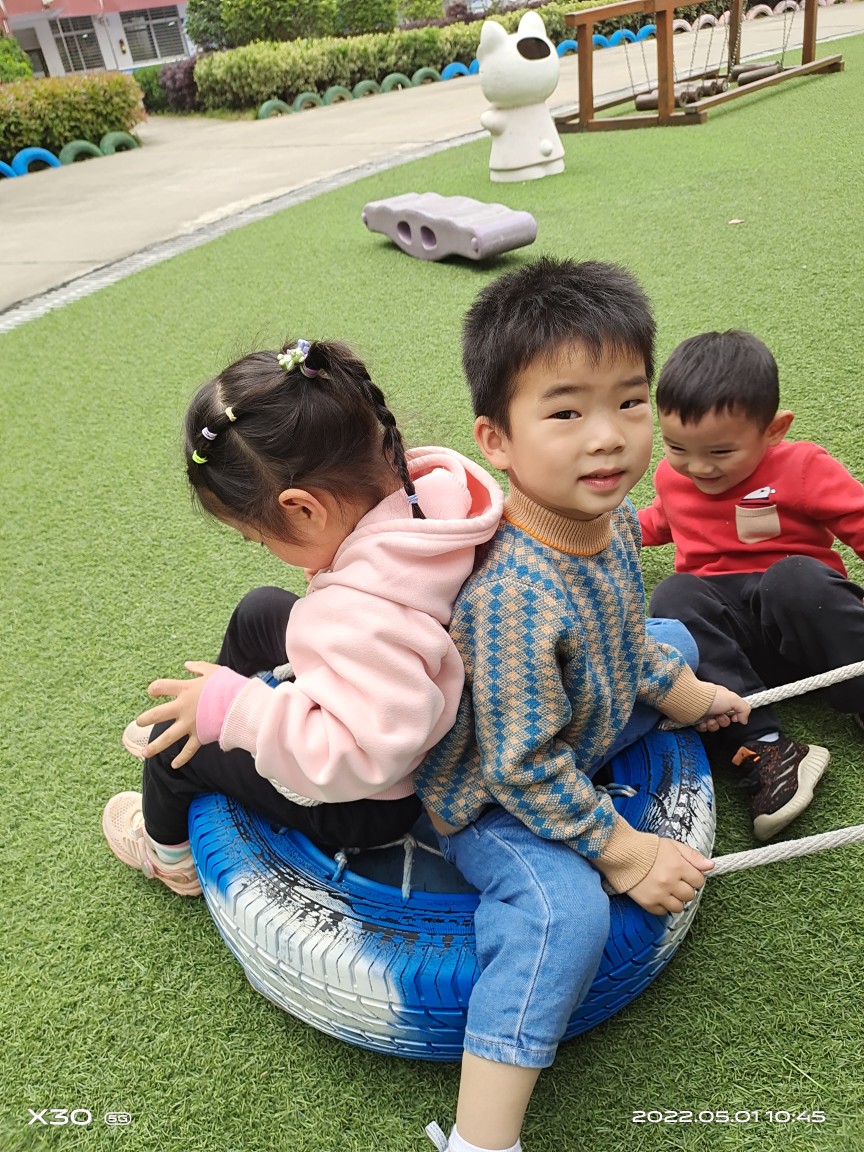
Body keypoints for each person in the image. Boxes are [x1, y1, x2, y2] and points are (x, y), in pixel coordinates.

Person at [416, 259, 751, 1152]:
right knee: (566, 913)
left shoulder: (607, 519)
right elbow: (520, 770)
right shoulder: (514, 597)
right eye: (565, 413)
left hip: (572, 718)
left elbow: (627, 639)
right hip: (494, 797)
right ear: (497, 439)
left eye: (630, 402)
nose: (608, 438)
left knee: (676, 646)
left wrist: (687, 695)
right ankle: (482, 1140)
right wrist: (627, 852)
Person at [102, 338, 503, 894]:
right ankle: (206, 716)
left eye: (259, 537)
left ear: (303, 509)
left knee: (171, 752)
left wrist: (242, 712)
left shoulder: (359, 617)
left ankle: (168, 856)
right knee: (260, 610)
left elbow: (364, 754)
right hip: (393, 686)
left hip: (367, 796)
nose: (265, 548)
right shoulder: (429, 493)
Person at [639, 329, 864, 841]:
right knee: (675, 594)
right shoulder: (675, 478)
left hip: (809, 628)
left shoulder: (801, 466)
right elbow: (660, 520)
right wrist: (613, 531)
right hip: (733, 649)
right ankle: (767, 748)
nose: (698, 468)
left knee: (792, 577)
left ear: (773, 430)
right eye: (677, 447)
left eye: (720, 451)